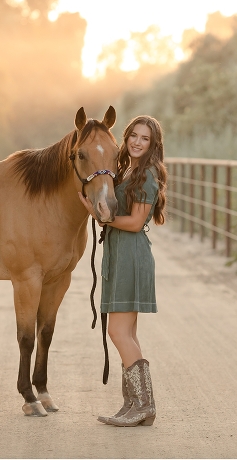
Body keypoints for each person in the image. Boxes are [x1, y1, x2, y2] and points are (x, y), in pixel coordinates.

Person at [79, 115, 167, 427]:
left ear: (153, 144)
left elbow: (132, 222)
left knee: (117, 332)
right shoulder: (128, 170)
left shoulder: (146, 176)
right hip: (122, 254)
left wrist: (103, 219)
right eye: (134, 136)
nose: (137, 142)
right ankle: (135, 405)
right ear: (126, 137)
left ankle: (142, 406)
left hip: (131, 255)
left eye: (145, 138)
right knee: (127, 333)